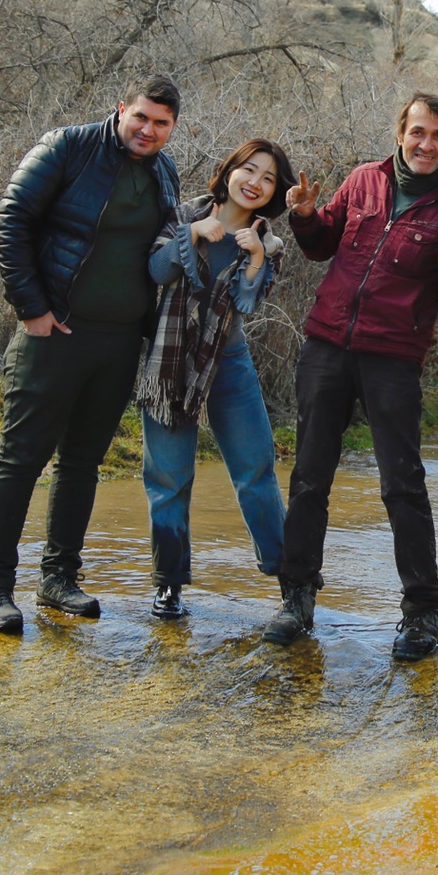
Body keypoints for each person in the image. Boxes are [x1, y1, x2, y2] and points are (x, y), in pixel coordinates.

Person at [261, 92, 438, 660]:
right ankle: (297, 598)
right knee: (309, 477)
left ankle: (422, 614)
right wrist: (305, 216)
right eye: (418, 132)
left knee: (402, 485)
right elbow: (320, 246)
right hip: (326, 345)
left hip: (394, 356)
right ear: (400, 133)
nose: (426, 144)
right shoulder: (362, 181)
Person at [0, 75, 183, 634]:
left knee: (82, 463)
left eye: (161, 123)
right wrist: (30, 307)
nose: (148, 130)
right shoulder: (67, 146)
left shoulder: (164, 170)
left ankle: (58, 577)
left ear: (172, 129)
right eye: (141, 117)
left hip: (118, 342)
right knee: (20, 459)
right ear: (121, 110)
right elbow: (12, 217)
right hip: (53, 333)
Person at [138, 139, 296, 620]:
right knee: (168, 478)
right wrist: (194, 235)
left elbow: (248, 303)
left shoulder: (268, 241)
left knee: (256, 471)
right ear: (228, 171)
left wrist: (252, 259)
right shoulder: (181, 213)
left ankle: (289, 579)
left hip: (229, 363)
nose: (256, 182)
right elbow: (156, 270)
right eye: (249, 170)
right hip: (169, 361)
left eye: (268, 178)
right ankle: (169, 584)